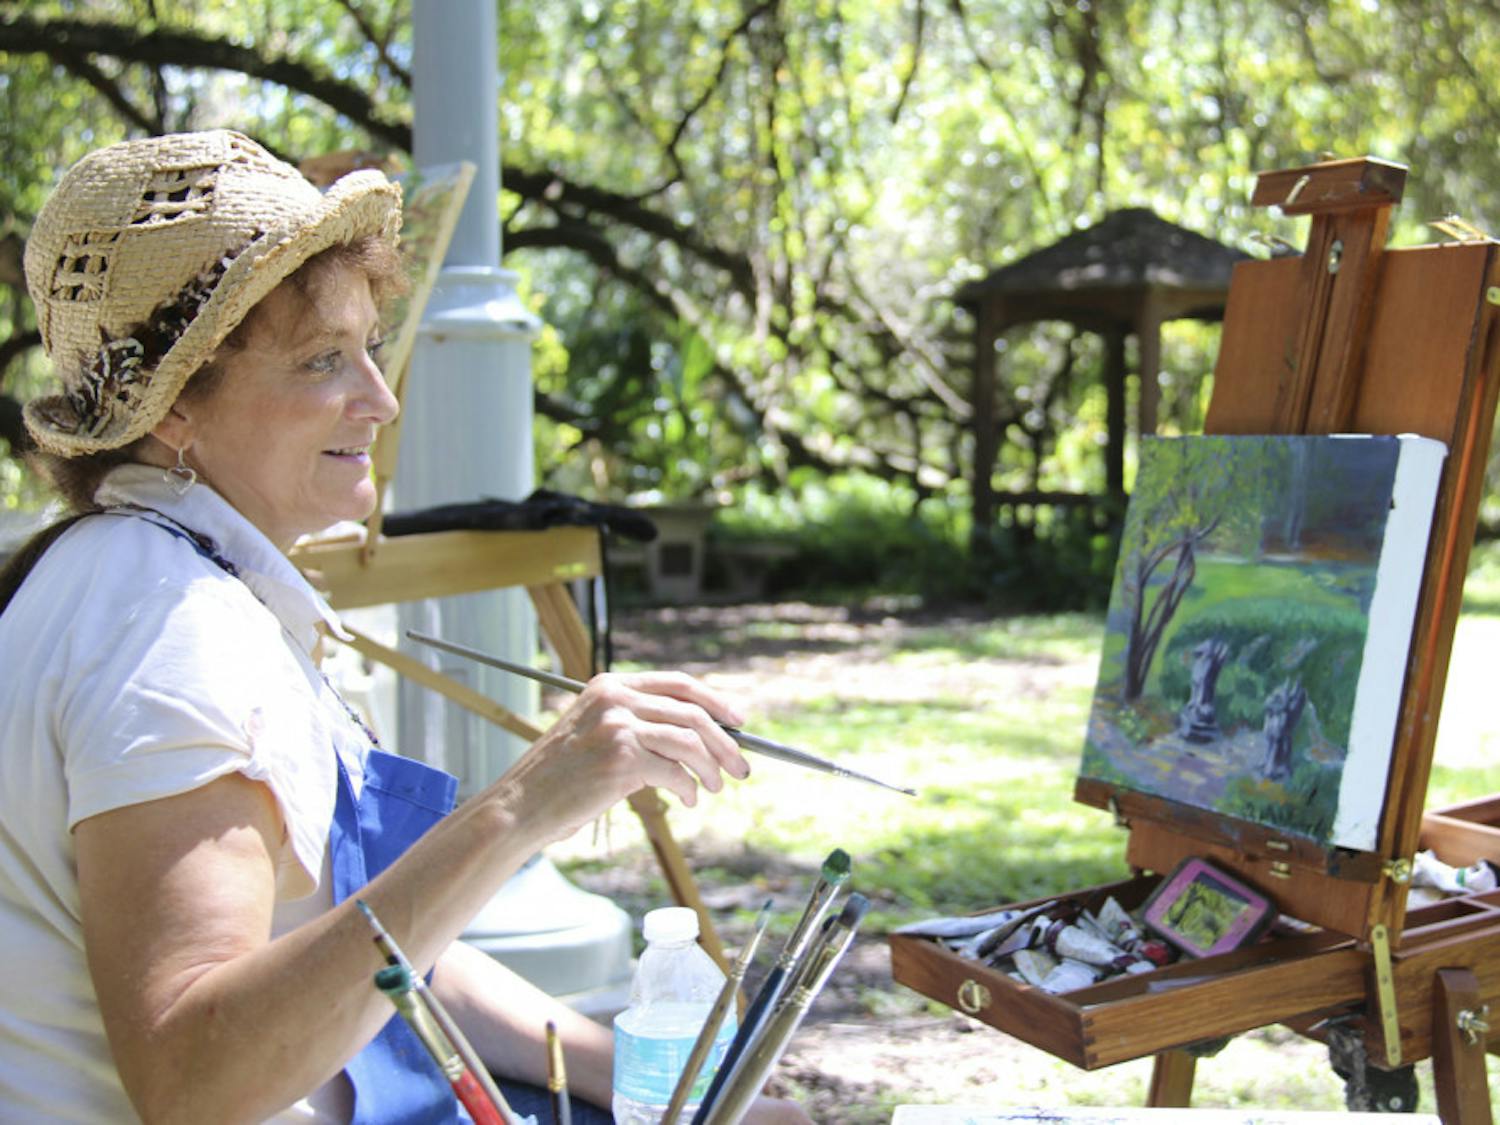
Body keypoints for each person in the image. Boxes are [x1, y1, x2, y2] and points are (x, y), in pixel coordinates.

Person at [0, 131, 810, 1124]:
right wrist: (521, 807)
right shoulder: (165, 627)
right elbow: (194, 1077)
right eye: (319, 363)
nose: (378, 400)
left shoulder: (166, 572)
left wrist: (672, 1091)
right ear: (172, 410)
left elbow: (382, 953)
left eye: (369, 350)